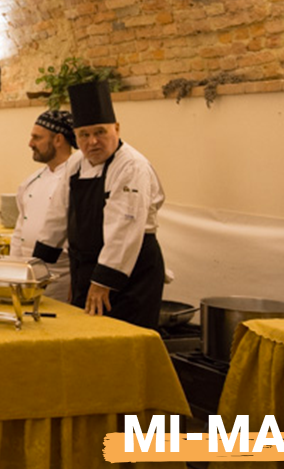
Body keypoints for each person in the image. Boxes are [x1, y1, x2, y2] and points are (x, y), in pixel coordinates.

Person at [33, 81, 166, 328]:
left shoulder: (131, 166)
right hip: (88, 267)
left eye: (100, 132)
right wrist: (37, 264)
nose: (92, 141)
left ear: (117, 128)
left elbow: (125, 227)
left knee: (123, 336)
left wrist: (103, 282)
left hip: (129, 271)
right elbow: (57, 213)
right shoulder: (76, 164)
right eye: (84, 135)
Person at [9, 110, 75, 301]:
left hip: (60, 277)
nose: (30, 143)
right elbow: (19, 230)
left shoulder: (76, 179)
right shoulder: (30, 182)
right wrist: (12, 268)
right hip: (24, 274)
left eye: (37, 138)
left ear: (58, 140)